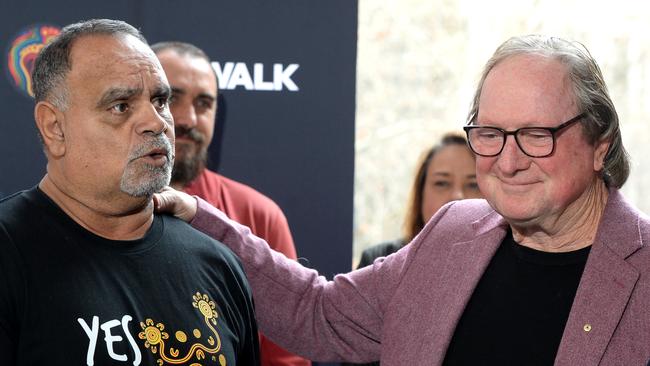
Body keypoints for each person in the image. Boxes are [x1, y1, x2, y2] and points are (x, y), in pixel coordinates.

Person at [156, 34, 650, 365]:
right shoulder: (454, 231)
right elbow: (320, 315)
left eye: (537, 135)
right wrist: (198, 215)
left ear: (600, 144)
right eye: (491, 133)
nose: (508, 160)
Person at [0, 19, 259, 365]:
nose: (157, 122)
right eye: (120, 105)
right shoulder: (8, 256)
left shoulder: (219, 264)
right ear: (54, 127)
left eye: (159, 100)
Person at [151, 41, 309, 366]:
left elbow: (286, 358)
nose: (188, 119)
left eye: (204, 104)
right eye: (170, 99)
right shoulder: (91, 209)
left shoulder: (259, 216)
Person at [355, 133, 482, 269]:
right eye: (442, 183)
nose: (458, 196)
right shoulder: (378, 262)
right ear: (421, 193)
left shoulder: (499, 265)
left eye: (473, 184)